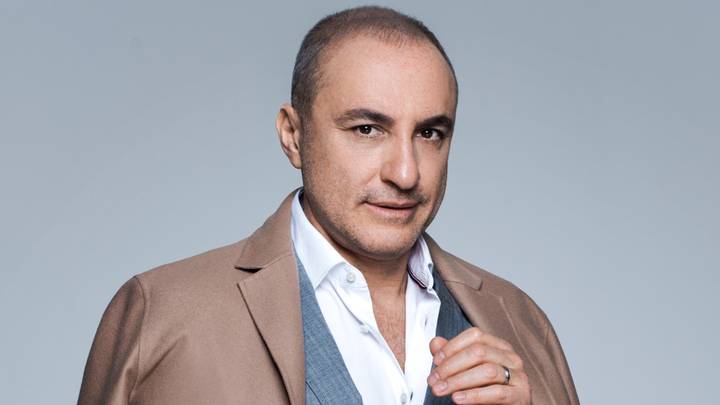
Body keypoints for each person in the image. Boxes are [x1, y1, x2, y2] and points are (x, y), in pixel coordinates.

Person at [78, 6, 579, 405]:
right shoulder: (165, 316)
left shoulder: (519, 320)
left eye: (429, 133)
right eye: (367, 129)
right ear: (293, 135)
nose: (406, 173)